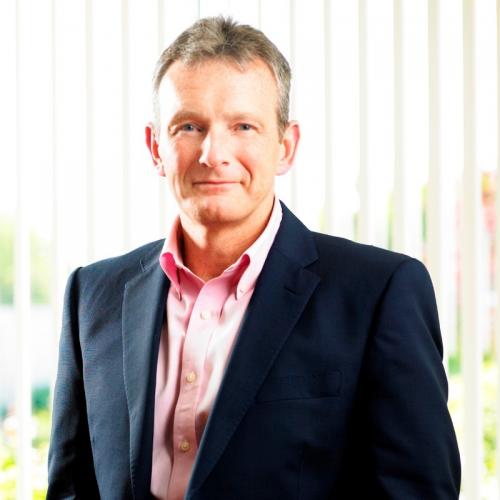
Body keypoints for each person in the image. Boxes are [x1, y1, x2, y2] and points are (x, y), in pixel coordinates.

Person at [47, 16, 461, 500]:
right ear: (155, 147)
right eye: (188, 126)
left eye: (243, 126)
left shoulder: (379, 293)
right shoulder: (92, 296)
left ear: (285, 146)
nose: (213, 153)